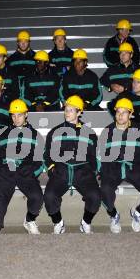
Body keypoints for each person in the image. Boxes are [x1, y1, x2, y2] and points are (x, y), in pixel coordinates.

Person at [99, 98, 140, 233]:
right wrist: (101, 170)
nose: (120, 115)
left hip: (134, 167)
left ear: (131, 114)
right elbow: (99, 154)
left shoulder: (139, 131)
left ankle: (138, 212)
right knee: (105, 188)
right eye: (118, 112)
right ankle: (114, 215)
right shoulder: (107, 131)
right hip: (113, 167)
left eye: (124, 112)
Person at [43, 95, 101, 234]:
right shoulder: (55, 131)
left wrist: (93, 171)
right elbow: (47, 154)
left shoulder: (90, 133)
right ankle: (59, 223)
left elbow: (94, 156)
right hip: (61, 171)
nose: (66, 113)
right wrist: (51, 168)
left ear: (79, 112)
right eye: (66, 110)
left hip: (83, 172)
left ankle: (85, 223)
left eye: (70, 110)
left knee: (95, 196)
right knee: (49, 196)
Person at [0, 99, 44, 234]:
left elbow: (40, 159)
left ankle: (29, 220)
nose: (16, 118)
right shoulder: (3, 133)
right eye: (13, 115)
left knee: (37, 198)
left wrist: (32, 172)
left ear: (26, 115)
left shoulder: (35, 135)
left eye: (19, 115)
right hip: (6, 171)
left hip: (26, 172)